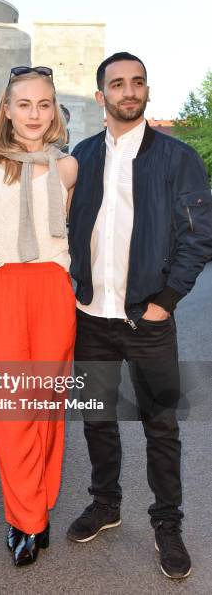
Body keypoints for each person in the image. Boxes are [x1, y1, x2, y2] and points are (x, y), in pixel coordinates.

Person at [67, 52, 212, 579]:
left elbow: (199, 234)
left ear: (146, 90)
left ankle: (166, 525)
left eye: (138, 82)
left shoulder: (176, 158)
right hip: (89, 317)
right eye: (118, 84)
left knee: (161, 425)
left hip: (147, 321)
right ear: (101, 93)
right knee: (98, 419)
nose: (130, 91)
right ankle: (105, 504)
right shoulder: (80, 156)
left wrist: (165, 301)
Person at [0, 66, 78, 566]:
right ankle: (26, 517)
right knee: (12, 409)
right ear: (7, 110)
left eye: (44, 104)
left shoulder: (68, 168)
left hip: (53, 288)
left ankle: (37, 505)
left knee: (46, 407)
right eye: (24, 104)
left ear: (53, 110)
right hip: (6, 286)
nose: (35, 114)